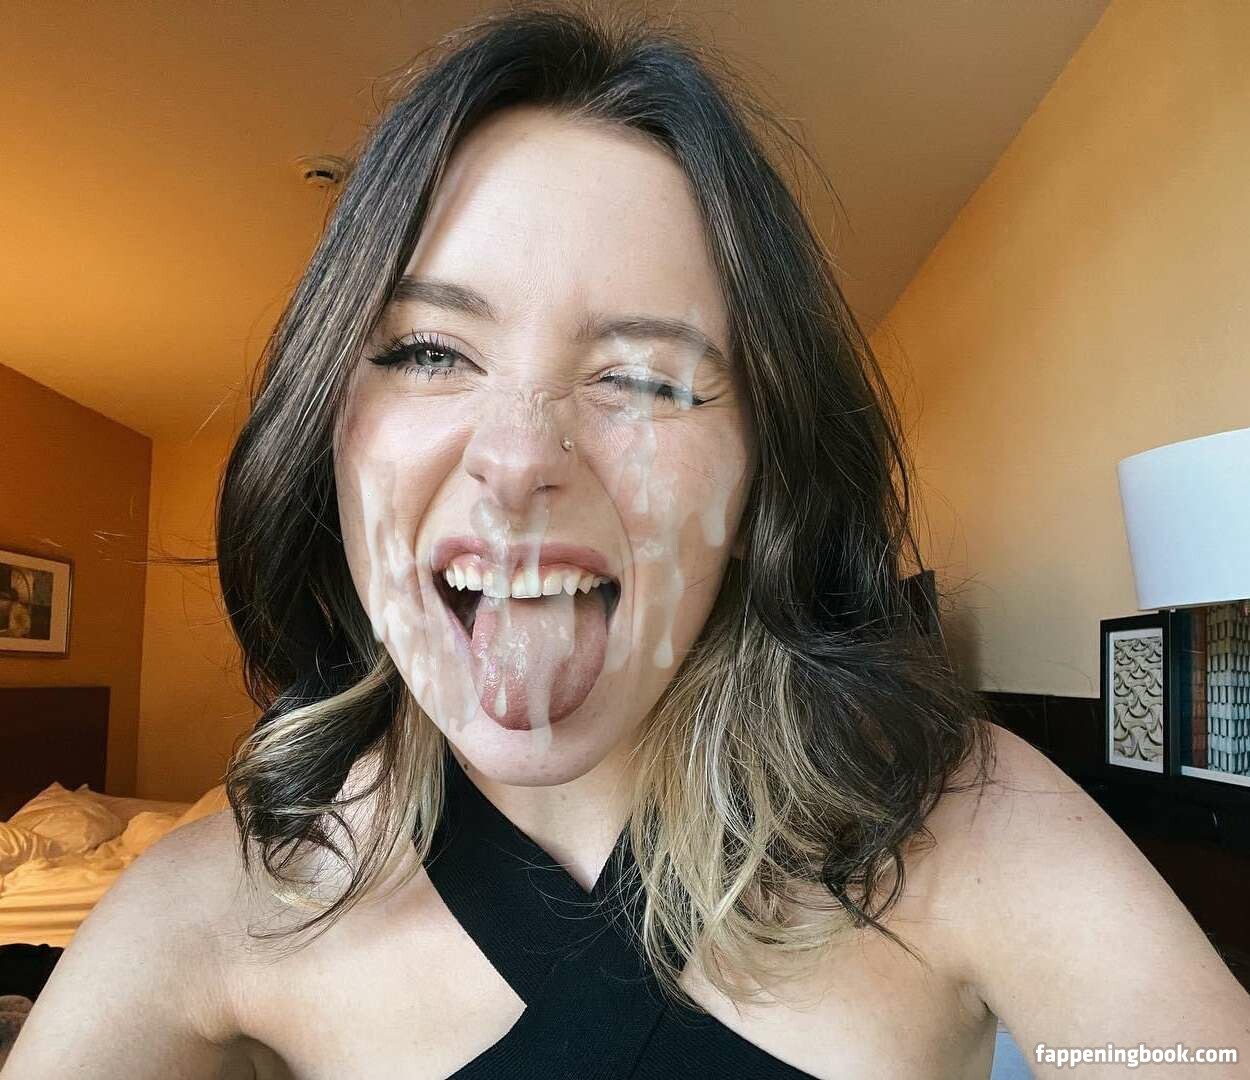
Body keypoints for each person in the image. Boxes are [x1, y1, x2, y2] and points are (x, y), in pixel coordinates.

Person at [7, 6, 1248, 1078]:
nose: (518, 457)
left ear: (762, 476)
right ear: (331, 428)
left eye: (647, 377)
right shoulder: (210, 907)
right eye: (429, 351)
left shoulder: (968, 827)